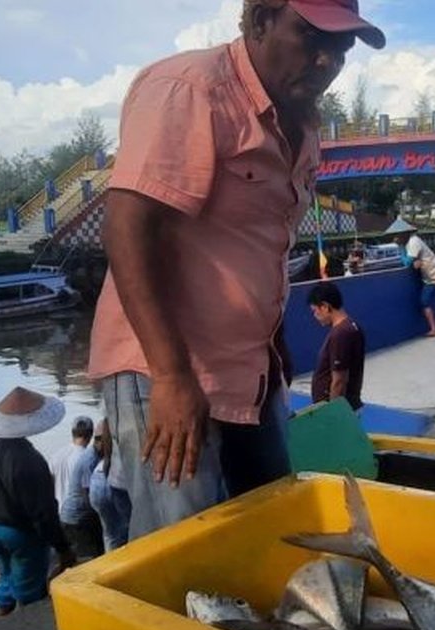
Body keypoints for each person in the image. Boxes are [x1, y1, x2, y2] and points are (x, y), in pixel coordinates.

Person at [87, 0, 385, 539]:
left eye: (341, 48)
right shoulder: (190, 89)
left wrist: (275, 342)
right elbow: (127, 229)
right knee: (183, 543)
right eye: (310, 37)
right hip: (170, 367)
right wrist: (173, 377)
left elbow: (258, 244)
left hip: (251, 369)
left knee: (270, 521)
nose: (327, 61)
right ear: (259, 21)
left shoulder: (303, 124)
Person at [0, 386, 77, 613]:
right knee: (29, 590)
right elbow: (43, 512)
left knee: (6, 581)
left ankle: (2, 614)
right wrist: (62, 547)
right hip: (20, 534)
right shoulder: (28, 459)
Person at [49, 416, 104, 561]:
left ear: (72, 432)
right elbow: (87, 493)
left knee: (69, 559)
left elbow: (50, 486)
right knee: (89, 558)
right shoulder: (85, 457)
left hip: (62, 516)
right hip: (80, 517)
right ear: (91, 435)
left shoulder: (56, 456)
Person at [307, 282, 365, 411]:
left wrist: (333, 414)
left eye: (315, 311)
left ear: (325, 307)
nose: (315, 316)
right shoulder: (352, 326)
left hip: (340, 410)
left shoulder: (341, 334)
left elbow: (339, 381)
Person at [87, 418, 132, 551]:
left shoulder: (91, 455)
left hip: (103, 478)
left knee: (110, 534)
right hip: (117, 481)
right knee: (127, 529)